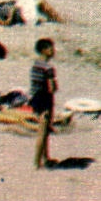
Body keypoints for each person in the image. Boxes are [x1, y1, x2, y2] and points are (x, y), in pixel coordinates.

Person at [28, 37, 58, 168]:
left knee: (43, 131)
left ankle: (45, 158)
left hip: (35, 98)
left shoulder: (35, 65)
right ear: (44, 50)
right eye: (50, 48)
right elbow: (52, 88)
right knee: (43, 132)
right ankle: (36, 162)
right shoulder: (49, 68)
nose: (53, 51)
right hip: (45, 99)